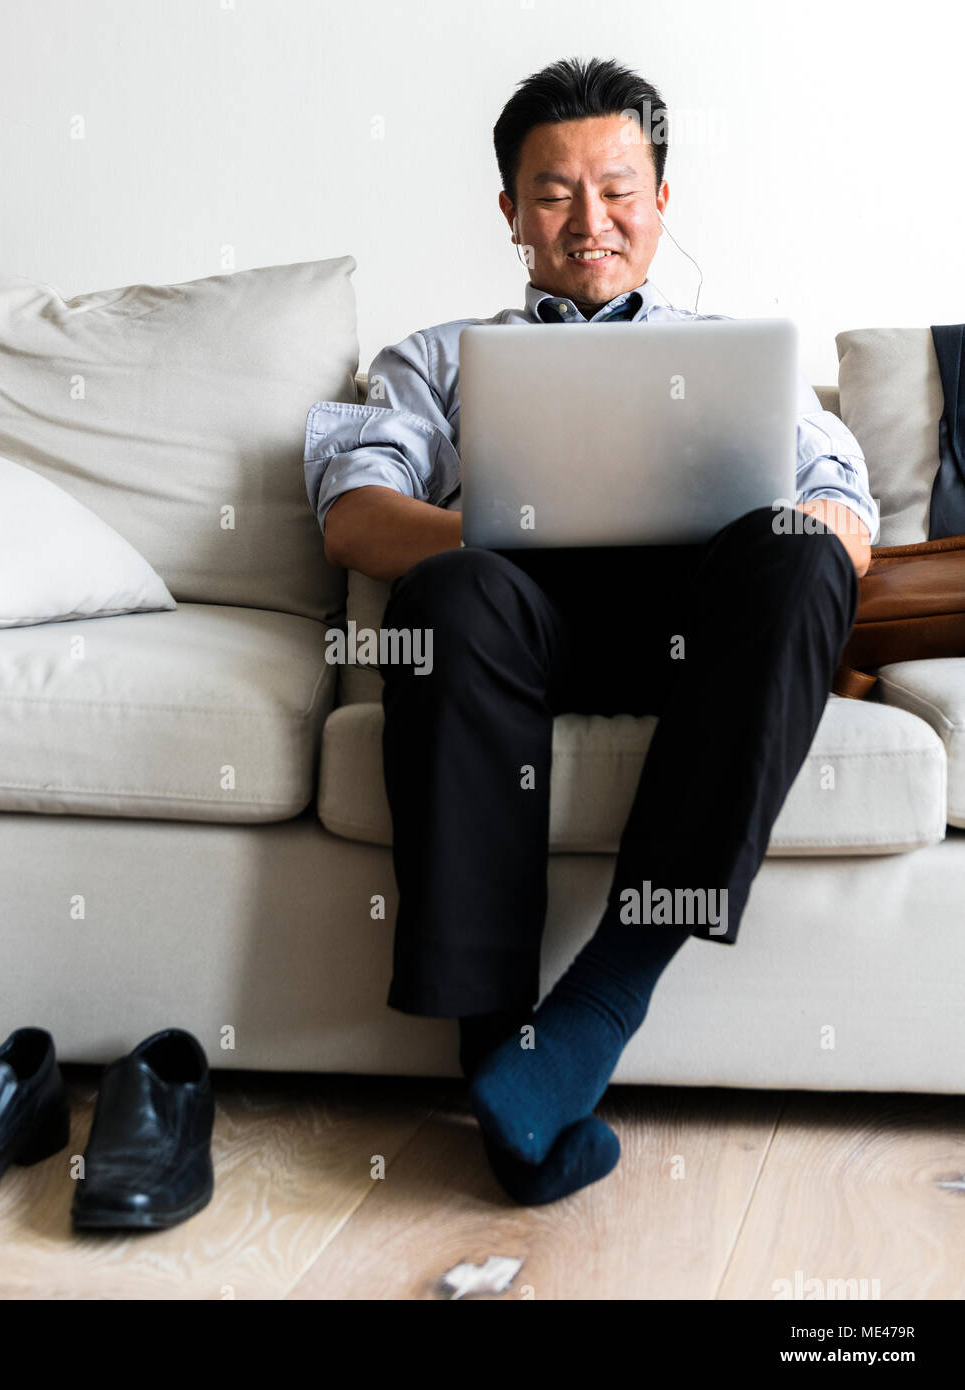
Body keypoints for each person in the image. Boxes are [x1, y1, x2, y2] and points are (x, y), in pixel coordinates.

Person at [303, 56, 876, 1206]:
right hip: (513, 626)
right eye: (553, 192)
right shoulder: (435, 357)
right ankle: (500, 1052)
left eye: (617, 188)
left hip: (698, 634)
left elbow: (847, 518)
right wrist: (501, 529)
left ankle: (598, 1005)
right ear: (510, 212)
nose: (588, 219)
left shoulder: (738, 361)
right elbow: (355, 518)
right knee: (446, 597)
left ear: (662, 200)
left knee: (803, 552)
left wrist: (808, 522)